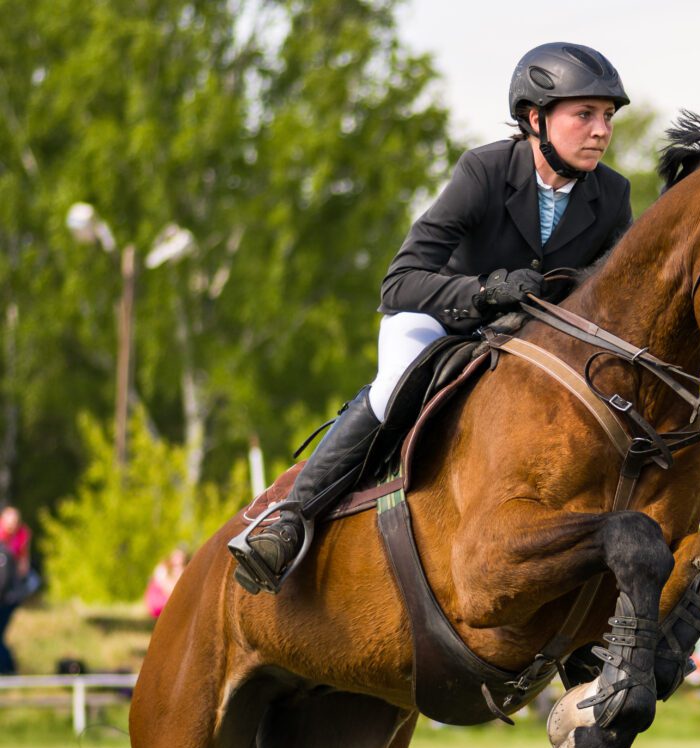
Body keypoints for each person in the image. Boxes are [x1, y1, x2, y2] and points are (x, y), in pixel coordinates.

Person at [230, 43, 633, 594]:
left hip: (532, 341)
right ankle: (288, 521)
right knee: (394, 386)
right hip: (438, 319)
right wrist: (487, 290)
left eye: (607, 116)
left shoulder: (613, 195)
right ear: (536, 119)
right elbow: (399, 280)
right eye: (584, 114)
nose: (600, 130)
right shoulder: (486, 170)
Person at [0, 506, 36, 674]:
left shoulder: (21, 537)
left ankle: (8, 670)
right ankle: (8, 669)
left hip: (8, 595)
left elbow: (22, 567)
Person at [144, 548, 188, 619]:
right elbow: (165, 587)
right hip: (159, 599)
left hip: (170, 599)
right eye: (177, 556)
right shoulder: (163, 568)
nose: (178, 559)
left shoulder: (183, 570)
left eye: (181, 557)